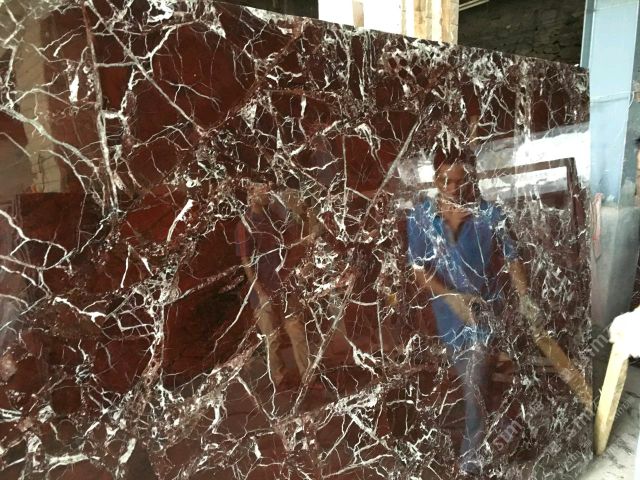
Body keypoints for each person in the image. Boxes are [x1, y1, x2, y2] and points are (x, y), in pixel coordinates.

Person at [407, 146, 535, 475]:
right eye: (444, 180)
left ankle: (470, 463)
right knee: (479, 385)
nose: (451, 188)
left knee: (475, 385)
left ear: (471, 178)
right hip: (449, 319)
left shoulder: (490, 214)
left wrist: (526, 301)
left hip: (487, 313)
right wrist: (452, 298)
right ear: (434, 177)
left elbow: (513, 259)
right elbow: (419, 271)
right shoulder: (420, 217)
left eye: (459, 181)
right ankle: (510, 437)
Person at [236, 181, 317, 388]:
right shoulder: (245, 224)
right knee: (272, 338)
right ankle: (279, 380)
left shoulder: (274, 217)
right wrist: (260, 291)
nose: (267, 192)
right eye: (262, 188)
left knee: (297, 330)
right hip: (262, 291)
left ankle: (309, 378)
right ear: (251, 192)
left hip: (285, 285)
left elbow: (291, 241)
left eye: (267, 188)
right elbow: (246, 262)